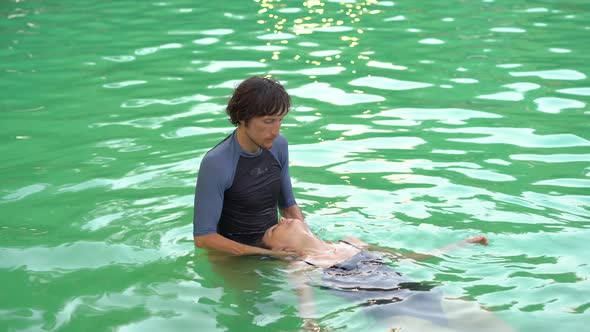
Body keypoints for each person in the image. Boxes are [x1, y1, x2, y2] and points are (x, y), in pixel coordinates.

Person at [261, 218, 513, 332]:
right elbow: (308, 311)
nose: (282, 219)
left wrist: (460, 243)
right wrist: (314, 327)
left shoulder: (351, 242)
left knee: (493, 324)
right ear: (285, 249)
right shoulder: (303, 266)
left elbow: (409, 258)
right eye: (274, 229)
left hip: (418, 290)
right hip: (388, 310)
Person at [193, 76, 305, 257]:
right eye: (268, 121)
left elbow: (288, 206)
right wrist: (266, 254)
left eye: (280, 120)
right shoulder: (216, 162)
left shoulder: (279, 146)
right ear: (243, 118)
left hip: (275, 245)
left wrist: (309, 240)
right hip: (233, 258)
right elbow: (204, 238)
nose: (276, 131)